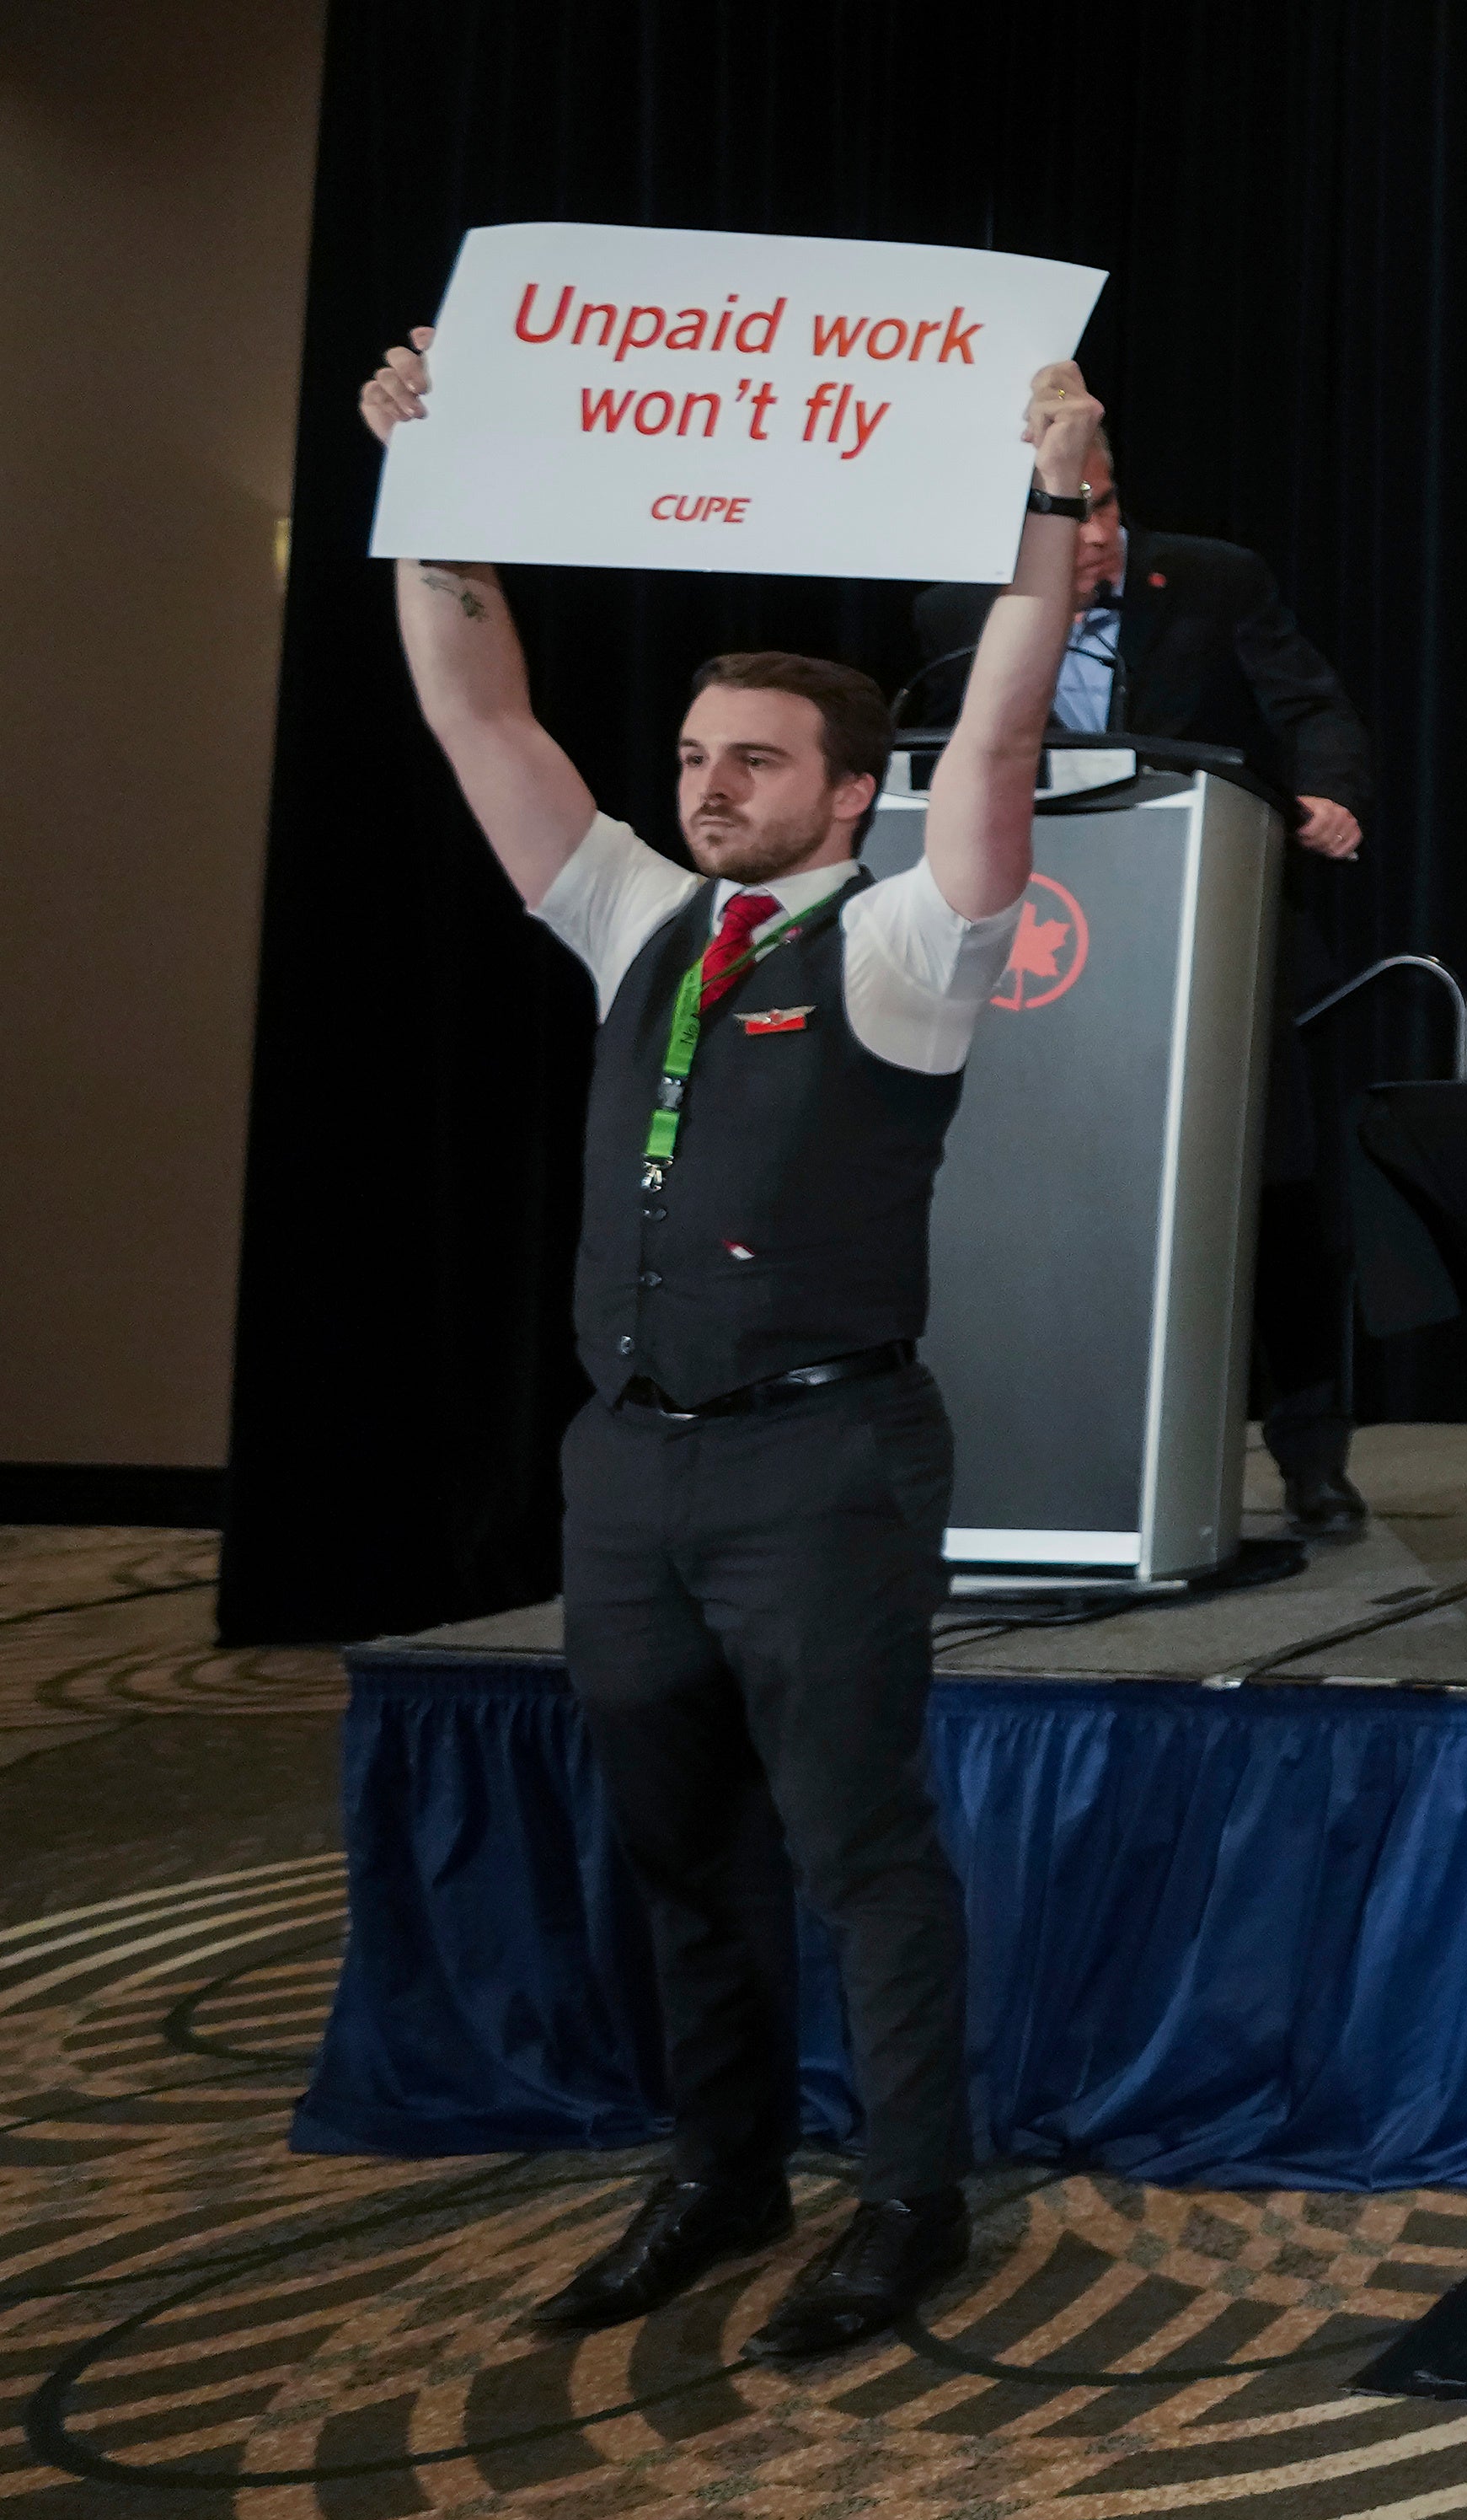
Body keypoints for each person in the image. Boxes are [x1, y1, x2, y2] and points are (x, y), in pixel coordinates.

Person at [357, 329, 1098, 2362]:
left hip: (822, 1459)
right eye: (694, 756)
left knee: (855, 1845)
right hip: (631, 1462)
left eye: (751, 760)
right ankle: (724, 2166)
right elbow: (476, 703)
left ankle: (909, 2199)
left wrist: (1043, 520)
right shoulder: (633, 913)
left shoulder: (903, 939)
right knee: (676, 1840)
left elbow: (1005, 751)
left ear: (848, 789)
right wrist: (441, 485)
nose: (708, 784)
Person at [913, 436, 1384, 1536]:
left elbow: (1311, 707)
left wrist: (1328, 791)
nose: (1097, 532)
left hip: (1216, 939)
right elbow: (936, 750)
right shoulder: (951, 617)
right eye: (1066, 512)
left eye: (1106, 502)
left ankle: (1314, 1456)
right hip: (1049, 968)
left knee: (1277, 1200)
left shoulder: (1215, 578)